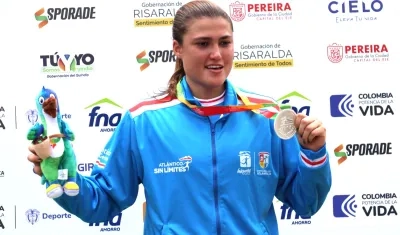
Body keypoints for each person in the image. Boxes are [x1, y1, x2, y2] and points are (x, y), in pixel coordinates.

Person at [28, 1, 332, 234]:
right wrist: (58, 173)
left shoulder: (266, 115)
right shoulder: (144, 120)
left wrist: (314, 154)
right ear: (178, 48)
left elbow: (305, 203)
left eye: (224, 42)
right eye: (203, 44)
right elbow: (103, 201)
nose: (216, 54)